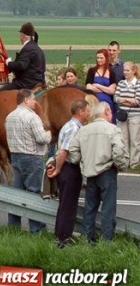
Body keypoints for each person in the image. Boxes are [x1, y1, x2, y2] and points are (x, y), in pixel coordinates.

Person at [68, 101, 129, 243]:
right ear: (107, 111)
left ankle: (86, 239)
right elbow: (119, 152)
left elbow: (73, 150)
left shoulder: (83, 130)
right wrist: (120, 165)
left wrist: (79, 161)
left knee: (90, 208)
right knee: (108, 210)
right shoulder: (113, 129)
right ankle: (107, 242)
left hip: (90, 173)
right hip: (107, 171)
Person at [5, 89, 51, 234]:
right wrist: (49, 134)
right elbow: (41, 138)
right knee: (33, 193)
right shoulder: (32, 117)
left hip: (15, 156)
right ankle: (36, 229)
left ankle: (13, 227)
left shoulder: (9, 116)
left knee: (17, 193)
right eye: (33, 99)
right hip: (32, 156)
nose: (35, 102)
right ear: (26, 100)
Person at [47, 96, 90, 248]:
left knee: (65, 204)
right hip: (69, 169)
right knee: (68, 205)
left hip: (67, 168)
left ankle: (60, 234)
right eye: (87, 111)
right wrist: (58, 169)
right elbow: (64, 151)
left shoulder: (70, 125)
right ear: (80, 112)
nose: (88, 114)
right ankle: (63, 239)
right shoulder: (73, 128)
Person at [0, 22, 46, 91]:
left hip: (26, 83)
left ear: (22, 35)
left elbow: (21, 66)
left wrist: (9, 63)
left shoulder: (28, 48)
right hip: (39, 81)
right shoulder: (38, 48)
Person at [115, 61, 140, 168]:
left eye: (127, 70)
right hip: (122, 116)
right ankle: (125, 161)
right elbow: (116, 98)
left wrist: (123, 99)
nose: (125, 72)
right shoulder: (121, 83)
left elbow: (137, 101)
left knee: (135, 140)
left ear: (133, 71)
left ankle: (134, 163)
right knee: (123, 139)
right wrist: (128, 99)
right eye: (124, 70)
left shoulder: (138, 84)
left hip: (135, 116)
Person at [85, 48, 117, 123]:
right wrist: (106, 89)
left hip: (107, 102)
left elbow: (112, 91)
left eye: (101, 58)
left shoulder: (111, 72)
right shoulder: (92, 71)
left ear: (106, 58)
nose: (99, 60)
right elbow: (88, 86)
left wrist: (98, 86)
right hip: (94, 102)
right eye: (98, 58)